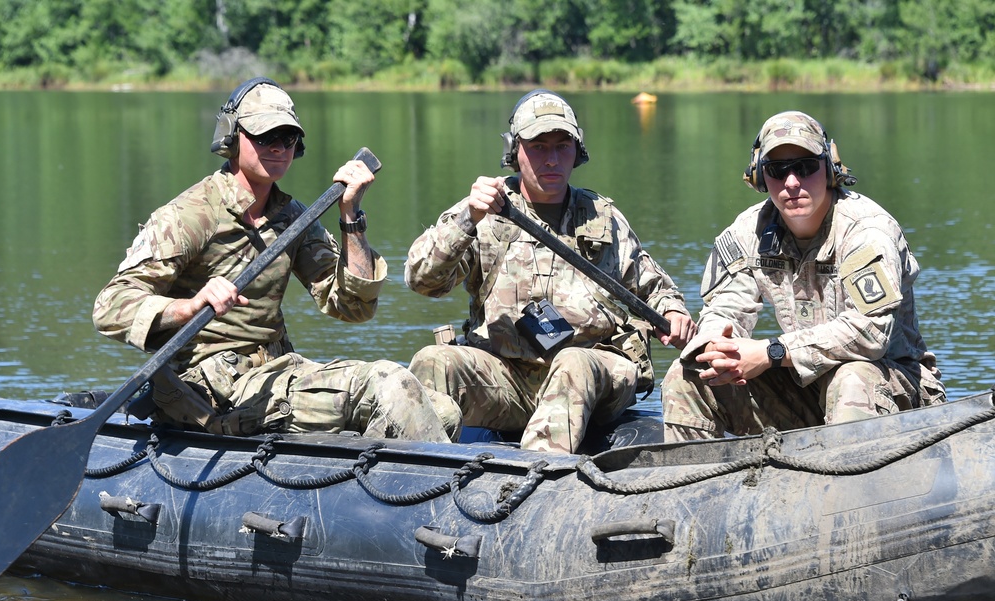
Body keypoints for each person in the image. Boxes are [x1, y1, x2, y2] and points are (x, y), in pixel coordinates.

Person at [93, 77, 456, 442]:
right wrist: (189, 306)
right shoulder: (190, 215)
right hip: (207, 392)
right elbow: (110, 307)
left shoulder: (293, 217)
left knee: (443, 411)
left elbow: (353, 307)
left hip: (275, 374)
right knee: (387, 382)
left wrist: (351, 216)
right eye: (265, 136)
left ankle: (381, 471)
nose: (279, 148)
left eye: (288, 138)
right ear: (233, 138)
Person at [404, 89, 696, 454]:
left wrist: (673, 311)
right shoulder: (484, 212)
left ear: (577, 151)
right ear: (515, 151)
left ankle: (535, 476)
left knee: (572, 363)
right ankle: (416, 471)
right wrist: (467, 219)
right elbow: (422, 280)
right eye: (538, 147)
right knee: (432, 362)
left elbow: (656, 287)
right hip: (508, 378)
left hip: (594, 371)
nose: (552, 159)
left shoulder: (601, 217)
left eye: (562, 146)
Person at [661, 110, 946, 443]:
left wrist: (771, 353)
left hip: (896, 390)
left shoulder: (866, 231)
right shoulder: (747, 233)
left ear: (829, 170)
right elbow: (725, 309)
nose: (792, 182)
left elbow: (869, 334)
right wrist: (716, 347)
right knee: (688, 376)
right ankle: (696, 475)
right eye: (777, 170)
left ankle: (853, 476)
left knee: (851, 378)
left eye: (806, 167)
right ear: (759, 176)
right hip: (806, 387)